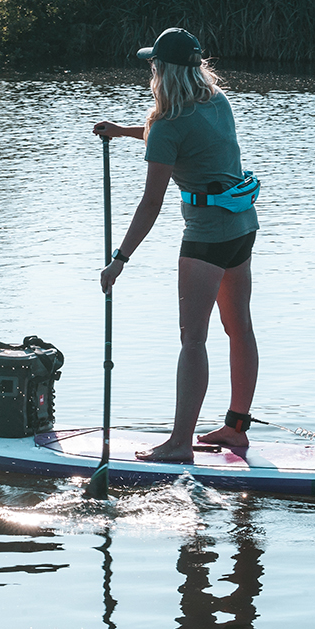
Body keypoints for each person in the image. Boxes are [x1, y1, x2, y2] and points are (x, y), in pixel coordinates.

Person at [93, 27, 260, 463]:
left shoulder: (168, 123)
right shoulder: (216, 101)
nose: (150, 68)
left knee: (193, 340)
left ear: (161, 70)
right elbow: (172, 138)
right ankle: (236, 429)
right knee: (238, 327)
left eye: (153, 63)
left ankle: (179, 444)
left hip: (206, 238)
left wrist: (119, 260)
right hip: (242, 227)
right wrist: (123, 131)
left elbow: (151, 203)